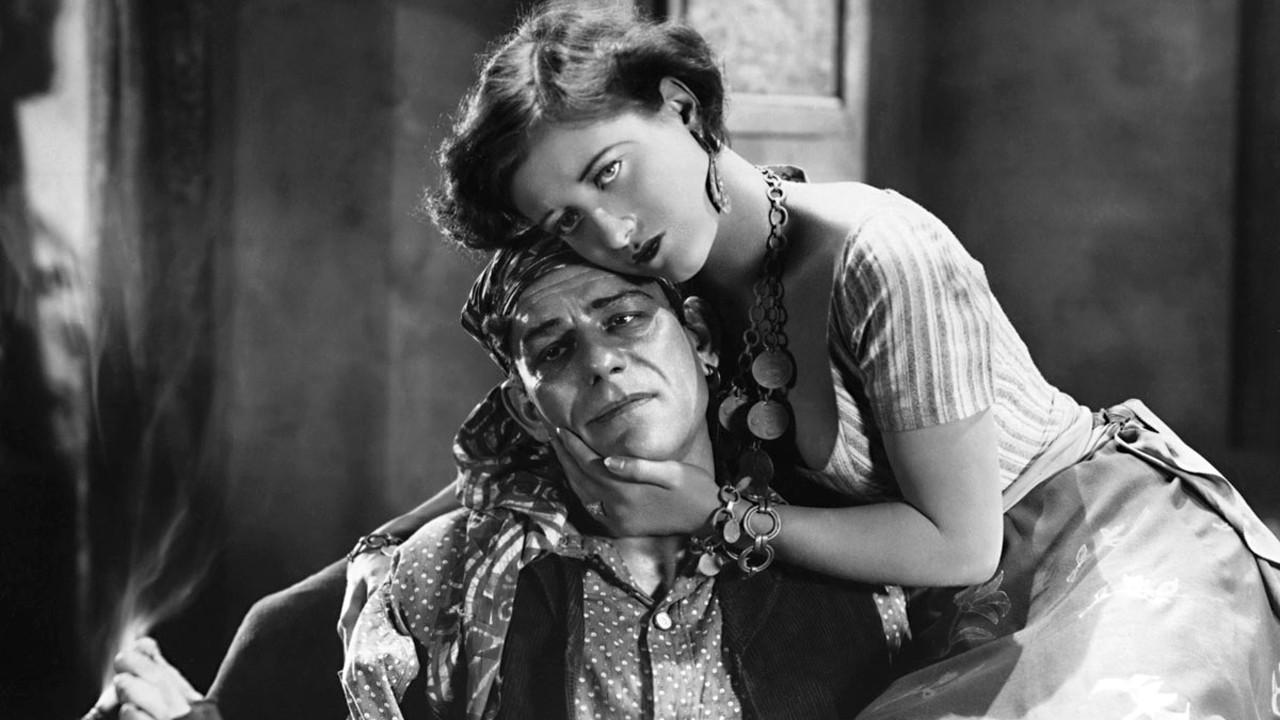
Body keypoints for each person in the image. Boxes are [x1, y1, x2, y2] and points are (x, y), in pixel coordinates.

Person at [344, 1, 1280, 717]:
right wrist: (375, 557)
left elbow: (962, 545)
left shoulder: (883, 255)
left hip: (1089, 549)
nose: (613, 231)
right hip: (940, 599)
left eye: (610, 172)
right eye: (567, 220)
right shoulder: (668, 286)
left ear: (681, 107)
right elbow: (522, 452)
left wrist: (715, 514)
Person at [342, 235, 902, 719]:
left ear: (700, 339)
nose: (599, 361)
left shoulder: (855, 557)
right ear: (529, 411)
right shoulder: (447, 575)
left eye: (624, 320)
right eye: (554, 350)